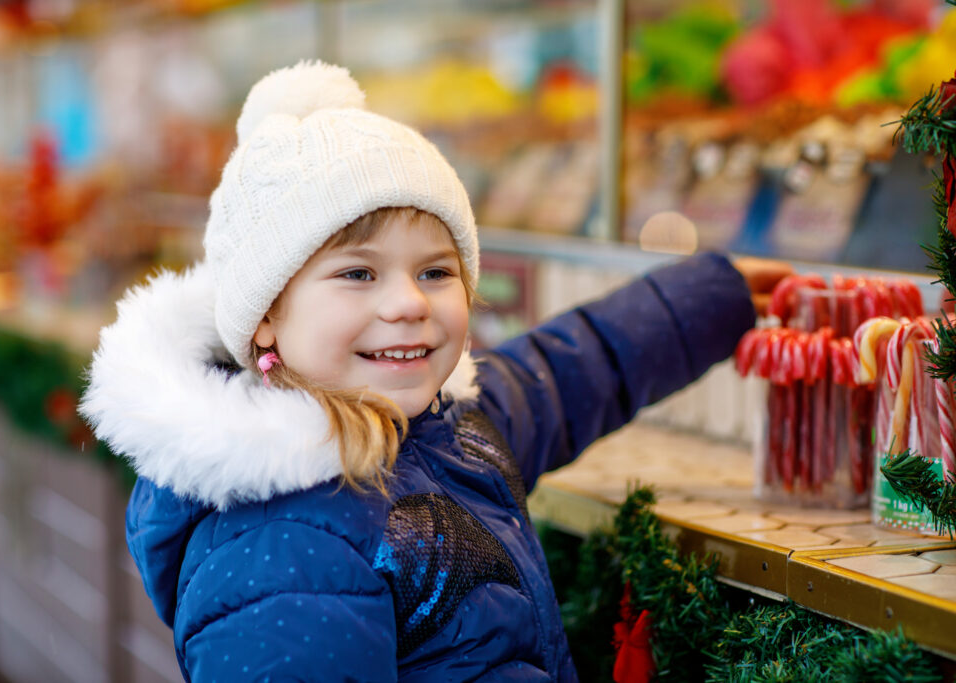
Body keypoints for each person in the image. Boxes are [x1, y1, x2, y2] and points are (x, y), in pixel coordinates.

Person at [81, 61, 784, 682]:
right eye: (358, 272)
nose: (410, 303)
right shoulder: (279, 544)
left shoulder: (439, 428)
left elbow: (566, 372)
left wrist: (713, 298)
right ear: (266, 314)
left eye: (435, 270)